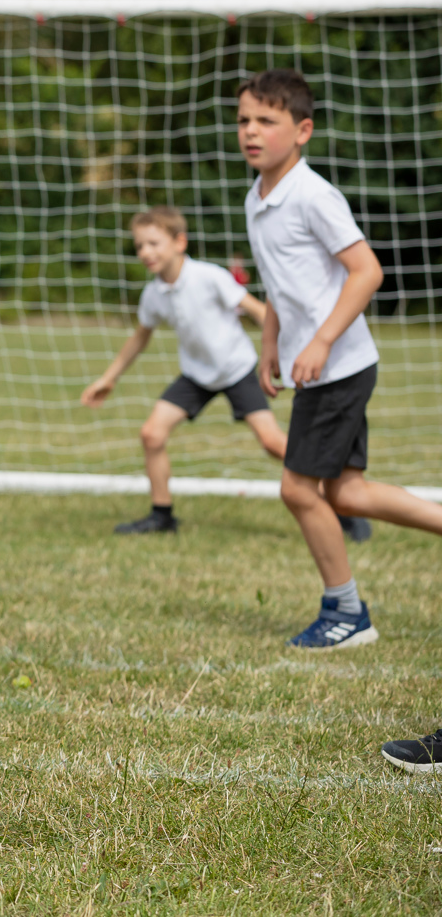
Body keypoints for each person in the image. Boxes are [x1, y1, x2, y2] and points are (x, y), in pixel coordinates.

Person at [240, 68, 442, 649]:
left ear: (302, 130)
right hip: (321, 367)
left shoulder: (313, 194)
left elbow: (367, 271)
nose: (252, 132)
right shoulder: (258, 197)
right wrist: (272, 341)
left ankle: (347, 613)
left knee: (298, 490)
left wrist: (322, 339)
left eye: (267, 121)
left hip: (339, 366)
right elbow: (280, 284)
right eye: (244, 121)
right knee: (346, 493)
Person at [81, 206, 368, 541]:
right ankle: (162, 516)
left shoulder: (209, 276)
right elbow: (140, 338)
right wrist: (109, 377)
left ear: (179, 242)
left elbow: (258, 310)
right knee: (152, 434)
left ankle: (335, 506)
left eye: (153, 243)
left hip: (237, 369)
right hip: (197, 376)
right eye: (140, 246)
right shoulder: (153, 295)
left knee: (273, 443)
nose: (145, 252)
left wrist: (285, 347)